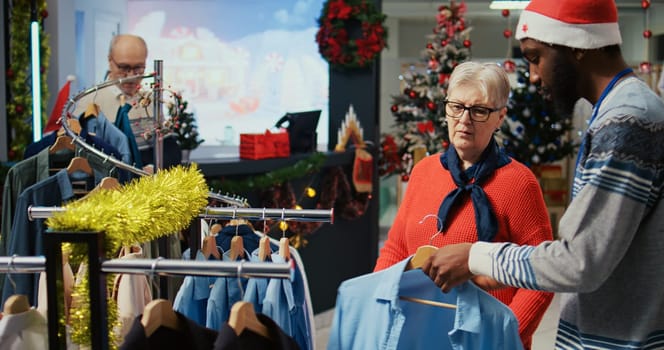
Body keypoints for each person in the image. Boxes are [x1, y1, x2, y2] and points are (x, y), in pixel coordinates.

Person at [422, 0, 664, 348]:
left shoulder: (626, 121)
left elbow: (580, 260)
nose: (534, 76)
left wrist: (475, 255)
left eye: (536, 58)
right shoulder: (620, 111)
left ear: (577, 47)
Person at [374, 61, 554, 349]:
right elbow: (396, 249)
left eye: (479, 110)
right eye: (456, 106)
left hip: (486, 339)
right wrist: (378, 304)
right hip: (419, 333)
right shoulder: (423, 172)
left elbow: (540, 277)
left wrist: (503, 338)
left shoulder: (520, 183)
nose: (464, 119)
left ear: (500, 117)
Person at [73, 34, 181, 170]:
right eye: (123, 68)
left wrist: (153, 167)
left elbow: (169, 149)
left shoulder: (149, 100)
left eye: (138, 68)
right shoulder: (89, 101)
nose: (131, 76)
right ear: (109, 60)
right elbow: (81, 155)